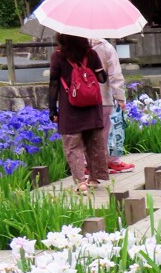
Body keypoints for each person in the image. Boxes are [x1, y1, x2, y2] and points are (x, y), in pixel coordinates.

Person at [48, 34, 109, 194]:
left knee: (73, 146)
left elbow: (54, 83)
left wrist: (53, 109)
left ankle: (81, 183)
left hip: (70, 109)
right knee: (94, 143)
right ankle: (94, 179)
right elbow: (102, 79)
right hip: (92, 108)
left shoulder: (58, 55)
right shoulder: (91, 53)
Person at [90, 38, 134, 173]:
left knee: (87, 134)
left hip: (80, 99)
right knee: (107, 133)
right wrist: (120, 98)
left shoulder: (74, 47)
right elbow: (115, 75)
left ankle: (88, 164)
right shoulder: (106, 47)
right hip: (103, 98)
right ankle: (111, 161)